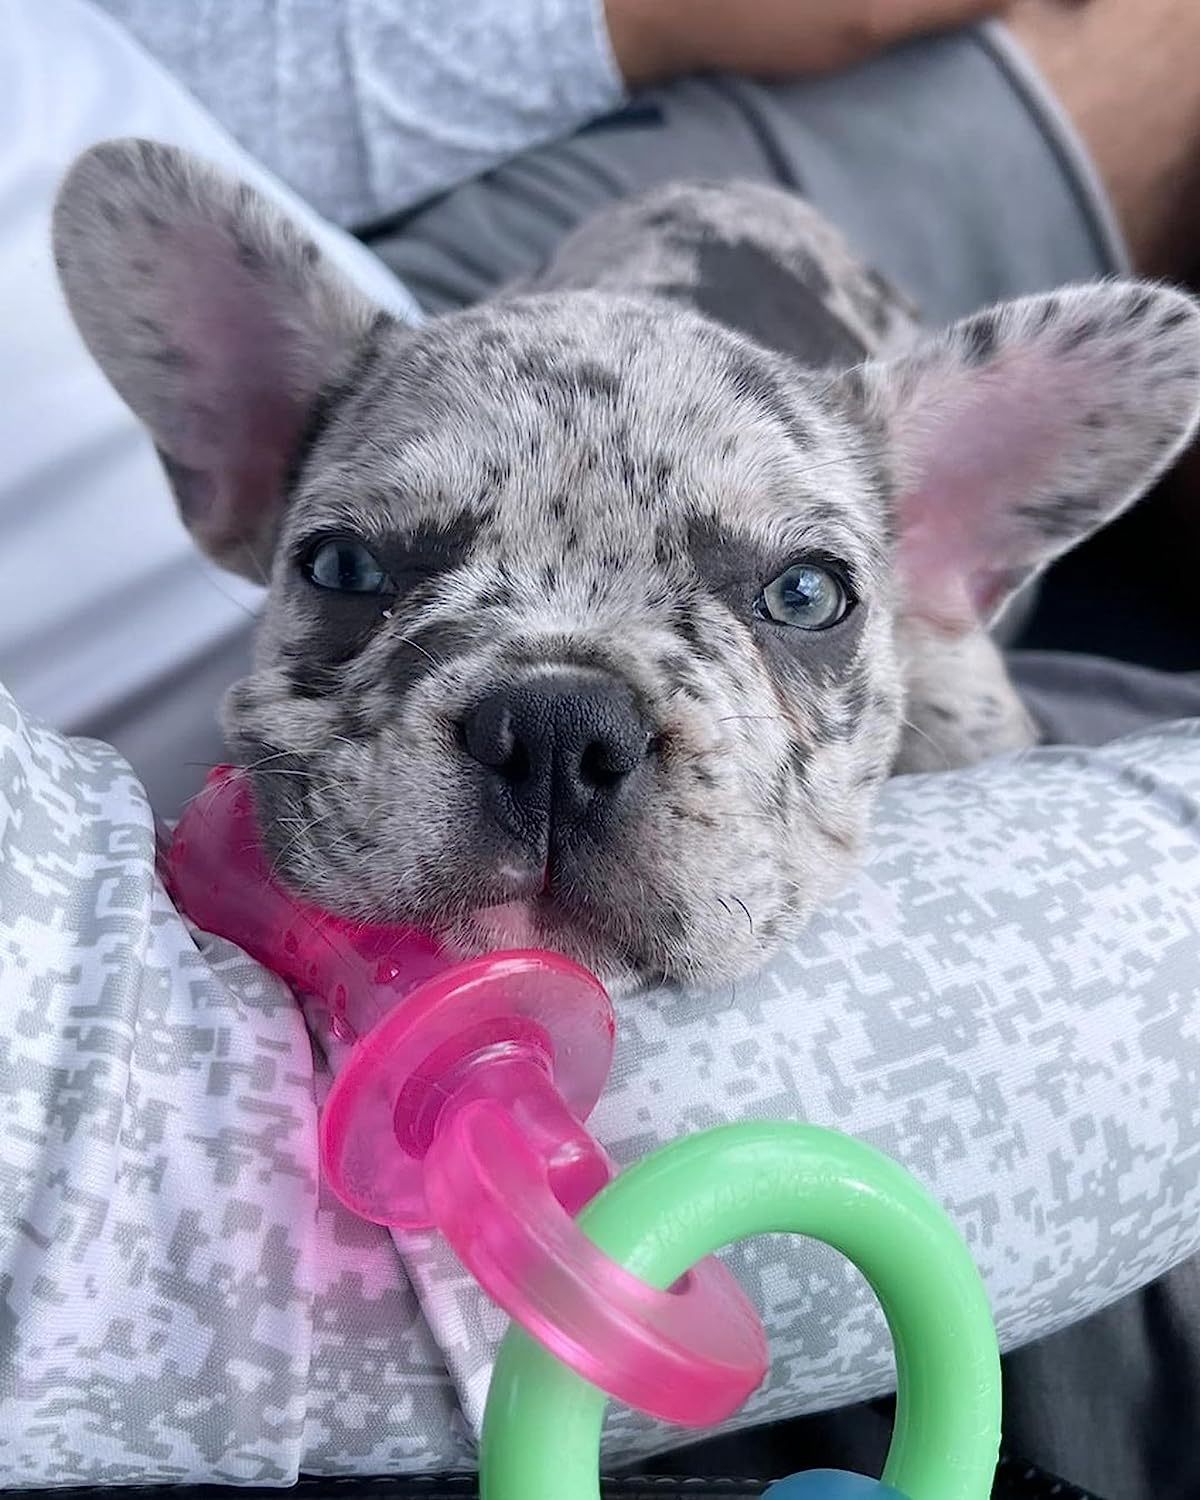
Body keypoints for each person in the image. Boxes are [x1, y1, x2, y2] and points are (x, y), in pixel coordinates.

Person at [1, 2, 1198, 1496]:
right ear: (244, 474)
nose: (562, 747)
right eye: (365, 570)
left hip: (722, 279)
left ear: (946, 559)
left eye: (803, 593)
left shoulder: (937, 645)